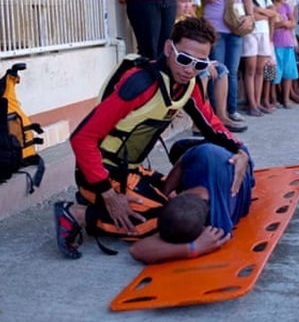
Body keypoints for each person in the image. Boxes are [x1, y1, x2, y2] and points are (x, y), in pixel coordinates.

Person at [54, 17, 249, 260]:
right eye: (185, 59)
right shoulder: (141, 83)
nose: (189, 69)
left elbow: (212, 126)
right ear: (169, 49)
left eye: (199, 64)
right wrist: (108, 194)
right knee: (167, 222)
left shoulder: (188, 85)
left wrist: (240, 152)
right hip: (100, 174)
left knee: (189, 207)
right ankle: (78, 213)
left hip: (130, 170)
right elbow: (82, 138)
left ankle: (111, 201)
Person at [129, 141, 255, 264]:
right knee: (179, 147)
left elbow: (137, 250)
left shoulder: (218, 224)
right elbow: (181, 164)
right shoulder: (204, 153)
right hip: (216, 153)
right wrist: (163, 193)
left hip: (237, 156)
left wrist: (194, 248)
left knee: (182, 148)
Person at [175, 0, 245, 133]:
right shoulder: (171, 21)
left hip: (198, 61)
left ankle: (221, 116)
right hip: (183, 64)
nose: (187, 5)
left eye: (189, 1)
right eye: (183, 1)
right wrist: (203, 65)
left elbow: (203, 42)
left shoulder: (191, 19)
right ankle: (198, 122)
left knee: (222, 70)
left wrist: (206, 62)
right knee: (204, 73)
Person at [201, 0, 255, 122]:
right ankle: (216, 112)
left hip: (236, 28)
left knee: (232, 70)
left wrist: (250, 16)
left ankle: (231, 110)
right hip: (216, 30)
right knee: (217, 70)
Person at [243, 0, 275, 116]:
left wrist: (259, 11)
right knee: (250, 69)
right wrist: (263, 14)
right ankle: (252, 103)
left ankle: (258, 101)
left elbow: (273, 12)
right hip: (250, 32)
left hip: (264, 32)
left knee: (261, 69)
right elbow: (248, 15)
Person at [271, 0, 299, 107]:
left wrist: (288, 24)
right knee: (272, 73)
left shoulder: (287, 7)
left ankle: (286, 98)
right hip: (274, 44)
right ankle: (272, 98)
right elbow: (272, 25)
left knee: (288, 72)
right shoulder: (270, 7)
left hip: (287, 44)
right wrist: (283, 24)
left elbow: (293, 22)